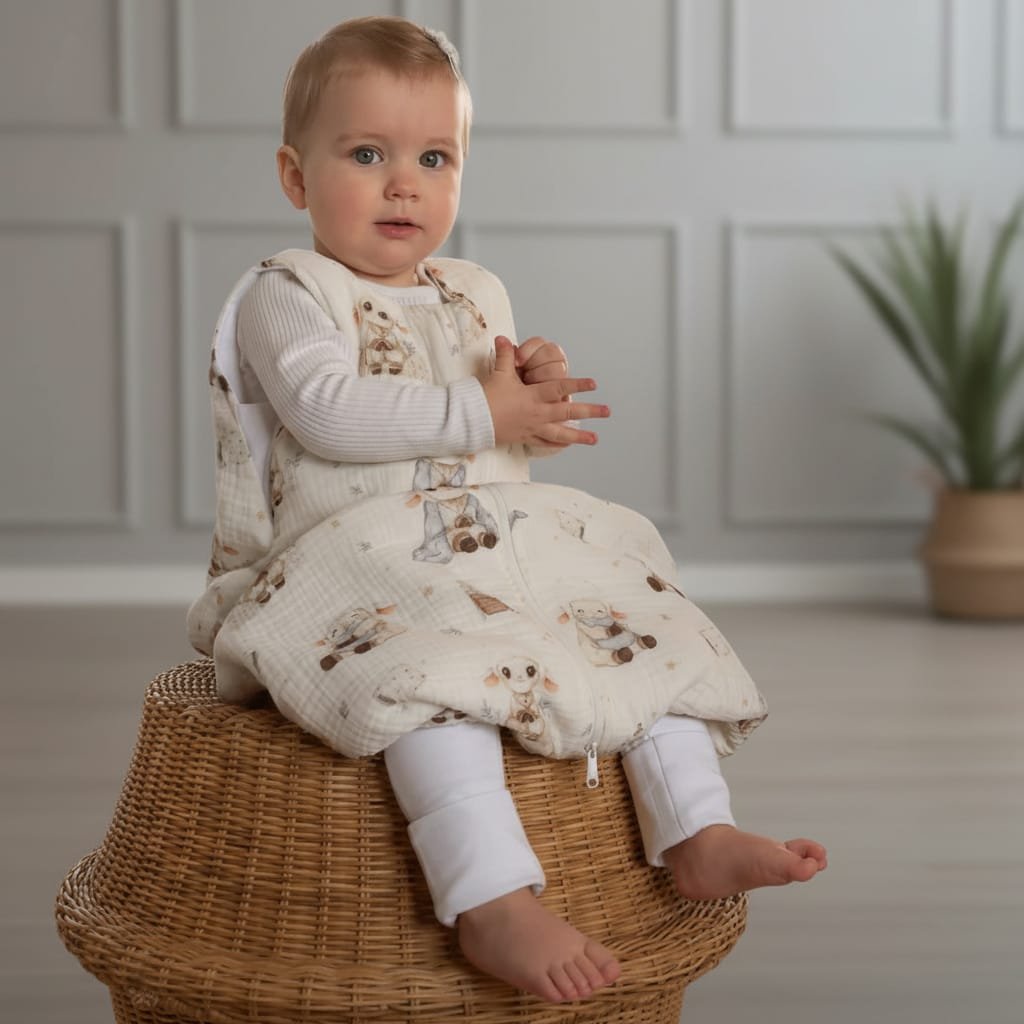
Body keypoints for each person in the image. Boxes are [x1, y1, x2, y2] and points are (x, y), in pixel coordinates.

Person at [187, 15, 827, 1005]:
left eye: (434, 158)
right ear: (294, 176)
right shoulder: (290, 292)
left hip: (482, 551)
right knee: (433, 683)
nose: (405, 184)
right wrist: (485, 408)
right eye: (367, 154)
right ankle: (488, 893)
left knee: (626, 620)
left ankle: (695, 825)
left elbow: (486, 440)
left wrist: (531, 408)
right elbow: (329, 411)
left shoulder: (473, 291)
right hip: (348, 566)